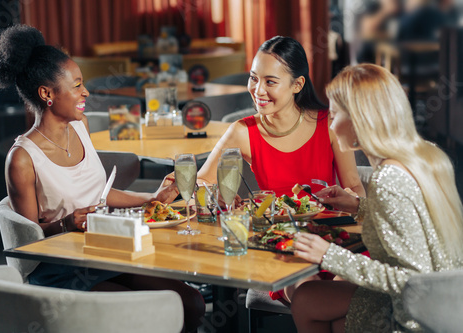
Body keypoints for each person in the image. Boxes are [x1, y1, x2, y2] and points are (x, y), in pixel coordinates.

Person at [0, 24, 204, 332]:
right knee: (147, 314)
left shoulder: (81, 126)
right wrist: (66, 223)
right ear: (47, 94)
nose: (85, 92)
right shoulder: (21, 158)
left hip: (106, 252)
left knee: (191, 302)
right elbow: (28, 239)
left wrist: (152, 199)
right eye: (77, 86)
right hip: (63, 269)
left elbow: (98, 195)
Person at [291, 63, 463, 332]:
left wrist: (330, 255)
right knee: (321, 293)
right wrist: (359, 206)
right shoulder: (426, 155)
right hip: (452, 303)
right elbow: (417, 223)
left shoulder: (387, 179)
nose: (331, 125)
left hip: (416, 313)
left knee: (305, 300)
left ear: (360, 119)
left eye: (335, 115)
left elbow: (413, 280)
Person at [196, 36, 365, 199]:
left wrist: (352, 198)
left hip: (325, 227)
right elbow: (201, 181)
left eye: (270, 82)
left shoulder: (329, 124)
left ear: (297, 85)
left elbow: (354, 187)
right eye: (253, 78)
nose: (258, 90)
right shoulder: (243, 131)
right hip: (272, 227)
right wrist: (214, 195)